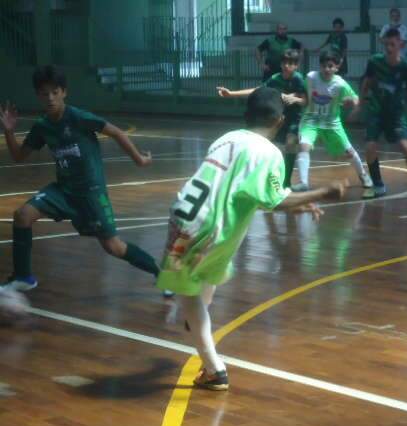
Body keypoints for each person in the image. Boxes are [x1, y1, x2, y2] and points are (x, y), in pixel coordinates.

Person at [156, 88, 347, 390]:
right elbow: (274, 200)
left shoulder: (226, 139)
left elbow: (248, 192)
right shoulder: (269, 152)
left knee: (195, 294)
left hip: (190, 220)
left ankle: (199, 335)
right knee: (192, 296)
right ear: (280, 121)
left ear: (246, 116)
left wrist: (295, 203)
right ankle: (214, 367)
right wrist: (323, 192)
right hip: (211, 227)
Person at [0, 65, 164, 293]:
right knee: (22, 215)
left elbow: (117, 132)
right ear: (37, 95)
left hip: (90, 193)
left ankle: (160, 273)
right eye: (44, 93)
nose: (49, 98)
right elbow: (19, 156)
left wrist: (138, 159)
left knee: (113, 247)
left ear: (64, 92)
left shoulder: (78, 117)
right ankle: (23, 277)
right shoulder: (42, 126)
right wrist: (8, 130)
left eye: (54, 92)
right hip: (63, 191)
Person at [355, 28, 407, 199]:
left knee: (405, 147)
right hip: (376, 112)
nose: (389, 48)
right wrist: (359, 104)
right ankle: (378, 185)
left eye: (392, 44)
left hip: (395, 115)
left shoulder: (406, 68)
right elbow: (367, 83)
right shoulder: (375, 62)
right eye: (386, 44)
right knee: (370, 147)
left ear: (400, 45)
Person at [217, 49, 306, 188]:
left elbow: (306, 101)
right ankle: (263, 178)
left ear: (296, 65)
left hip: (294, 119)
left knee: (291, 142)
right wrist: (231, 94)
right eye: (284, 63)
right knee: (269, 148)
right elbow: (258, 90)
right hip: (277, 119)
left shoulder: (299, 79)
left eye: (290, 63)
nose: (287, 66)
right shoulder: (275, 78)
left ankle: (286, 181)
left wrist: (294, 99)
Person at [295, 50, 373, 192]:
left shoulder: (340, 84)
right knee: (304, 146)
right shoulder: (311, 78)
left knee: (349, 151)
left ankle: (363, 174)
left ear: (337, 68)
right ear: (320, 66)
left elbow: (355, 99)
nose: (327, 69)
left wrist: (354, 107)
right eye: (324, 66)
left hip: (332, 123)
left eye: (330, 66)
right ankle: (303, 182)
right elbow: (304, 94)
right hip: (311, 120)